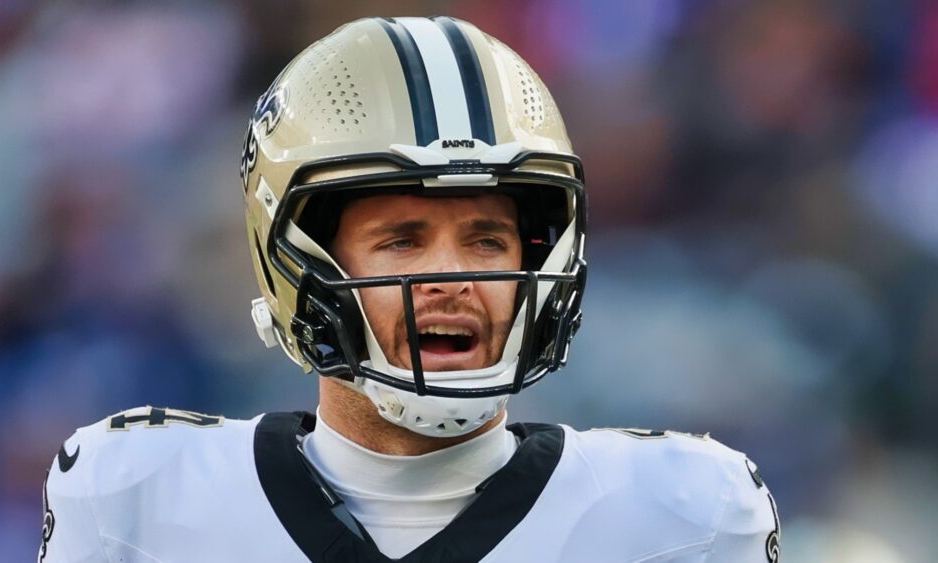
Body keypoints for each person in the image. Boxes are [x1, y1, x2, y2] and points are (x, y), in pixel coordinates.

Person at [39, 16, 780, 563]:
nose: (455, 277)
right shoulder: (131, 499)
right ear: (300, 259)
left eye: (487, 239)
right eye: (403, 239)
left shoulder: (689, 515)